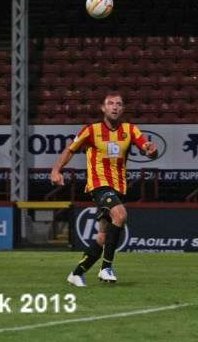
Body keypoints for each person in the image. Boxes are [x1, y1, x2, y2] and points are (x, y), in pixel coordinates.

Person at [50, 92, 158, 287]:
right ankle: (106, 267)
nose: (115, 107)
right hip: (99, 185)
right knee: (120, 215)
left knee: (103, 236)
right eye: (110, 103)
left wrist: (152, 151)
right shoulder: (91, 130)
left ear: (123, 109)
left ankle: (77, 273)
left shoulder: (130, 130)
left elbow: (147, 149)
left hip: (118, 188)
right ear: (103, 108)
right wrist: (56, 170)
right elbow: (70, 149)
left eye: (119, 104)